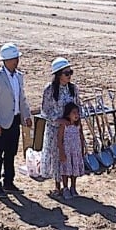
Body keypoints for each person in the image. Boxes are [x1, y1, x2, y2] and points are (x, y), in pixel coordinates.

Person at [0, 42, 31, 196]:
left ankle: (8, 182)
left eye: (16, 58)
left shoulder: (19, 76)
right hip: (1, 123)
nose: (16, 61)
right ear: (5, 60)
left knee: (11, 153)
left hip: (15, 120)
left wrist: (26, 116)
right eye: (13, 58)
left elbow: (22, 99)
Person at [40, 57, 80, 198]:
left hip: (70, 130)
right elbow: (44, 110)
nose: (69, 76)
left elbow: (78, 106)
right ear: (58, 75)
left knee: (70, 157)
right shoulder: (49, 90)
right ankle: (58, 187)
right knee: (57, 157)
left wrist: (74, 122)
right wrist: (58, 120)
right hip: (54, 129)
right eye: (66, 73)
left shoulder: (73, 89)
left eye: (70, 72)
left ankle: (70, 187)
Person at [57, 102, 85, 198]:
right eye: (74, 112)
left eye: (77, 112)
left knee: (74, 170)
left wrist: (82, 148)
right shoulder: (64, 126)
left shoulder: (78, 125)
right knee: (66, 170)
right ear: (68, 114)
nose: (76, 115)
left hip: (76, 152)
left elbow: (81, 136)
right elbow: (59, 140)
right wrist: (61, 152)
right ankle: (65, 188)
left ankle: (73, 187)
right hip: (67, 152)